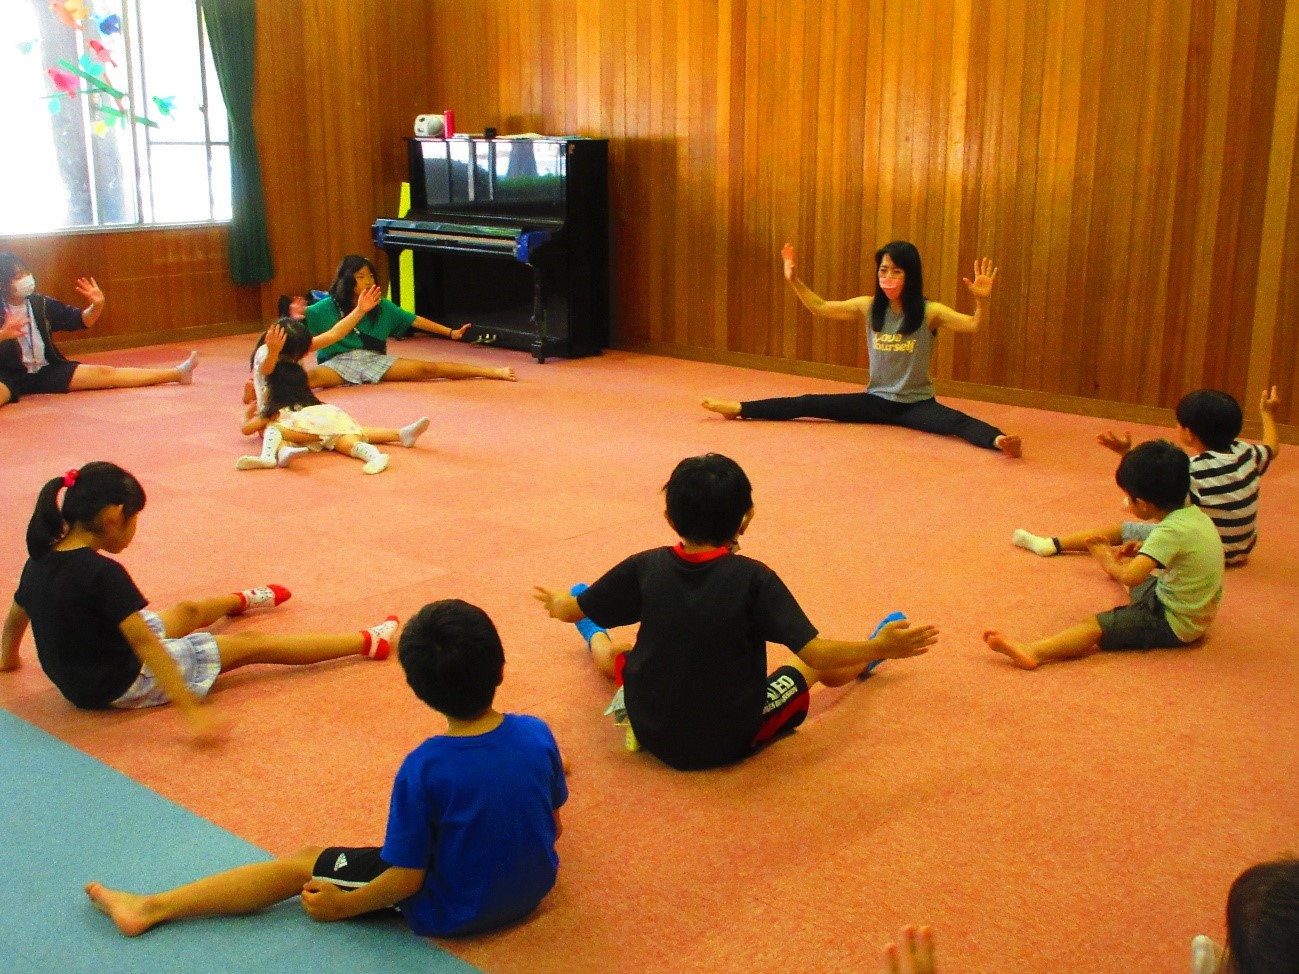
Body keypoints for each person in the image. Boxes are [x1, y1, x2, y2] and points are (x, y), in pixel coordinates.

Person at [85, 598, 568, 939]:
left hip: (454, 911)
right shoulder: (537, 733)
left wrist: (345, 905)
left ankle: (151, 907)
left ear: (417, 689)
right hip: (535, 892)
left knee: (303, 860)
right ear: (501, 668)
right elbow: (554, 826)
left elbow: (406, 879)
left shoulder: (425, 767)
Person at [533, 453, 939, 770]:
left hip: (648, 721)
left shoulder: (644, 565)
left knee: (615, 654)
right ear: (747, 519)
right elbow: (816, 653)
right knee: (808, 664)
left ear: (670, 518)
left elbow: (566, 607)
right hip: (728, 736)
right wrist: (883, 645)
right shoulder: (754, 579)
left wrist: (561, 604)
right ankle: (871, 655)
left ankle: (592, 627)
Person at [0, 462, 398, 742]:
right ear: (114, 517)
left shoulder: (42, 558)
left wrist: (7, 658)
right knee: (250, 647)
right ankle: (365, 641)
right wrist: (190, 709)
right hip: (120, 681)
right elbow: (144, 644)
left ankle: (241, 600)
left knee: (187, 612)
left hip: (88, 669)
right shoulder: (103, 574)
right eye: (135, 519)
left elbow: (19, 611)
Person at [701, 242, 1021, 456]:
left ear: (911, 275)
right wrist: (793, 279)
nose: (888, 276)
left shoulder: (929, 312)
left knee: (957, 423)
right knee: (808, 403)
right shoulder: (868, 307)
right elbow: (820, 307)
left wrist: (981, 301)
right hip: (876, 401)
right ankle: (740, 408)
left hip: (917, 404)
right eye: (883, 270)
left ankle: (999, 440)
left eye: (896, 271)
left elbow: (972, 325)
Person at [984, 439, 1223, 669]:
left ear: (1144, 504)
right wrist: (1144, 551)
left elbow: (1131, 577)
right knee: (1140, 578)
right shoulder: (1192, 515)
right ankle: (1120, 572)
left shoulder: (1169, 531)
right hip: (1190, 606)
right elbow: (1182, 552)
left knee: (1094, 625)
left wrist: (1106, 557)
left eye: (1130, 498)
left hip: (1173, 622)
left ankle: (1034, 651)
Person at [1013, 387, 1281, 566]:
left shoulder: (1192, 469)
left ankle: (1052, 544)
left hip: (1208, 552)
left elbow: (1154, 502)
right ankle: (1054, 544)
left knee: (1126, 529)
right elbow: (1273, 447)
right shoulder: (1248, 454)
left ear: (1188, 433)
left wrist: (1126, 456)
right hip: (1242, 548)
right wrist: (1267, 414)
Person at [0, 252, 197, 410]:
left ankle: (178, 373)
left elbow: (83, 320)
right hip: (8, 376)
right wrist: (3, 335)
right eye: (17, 277)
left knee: (105, 373)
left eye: (26, 273)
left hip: (46, 369)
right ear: (3, 284)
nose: (25, 279)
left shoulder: (41, 303)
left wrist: (97, 305)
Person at [237, 318, 431, 474]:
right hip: (313, 416)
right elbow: (267, 368)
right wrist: (273, 352)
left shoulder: (276, 410)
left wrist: (359, 310)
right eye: (299, 355)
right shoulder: (270, 356)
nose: (303, 357)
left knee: (278, 430)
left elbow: (334, 334)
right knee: (346, 433)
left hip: (294, 420)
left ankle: (278, 453)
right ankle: (392, 440)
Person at [303, 255, 516, 389]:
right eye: (360, 277)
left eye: (371, 276)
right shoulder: (322, 309)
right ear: (346, 280)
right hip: (336, 363)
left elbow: (415, 320)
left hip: (373, 360)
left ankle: (492, 372)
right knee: (308, 380)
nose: (368, 282)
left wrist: (450, 333)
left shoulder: (382, 305)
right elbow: (297, 338)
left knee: (428, 370)